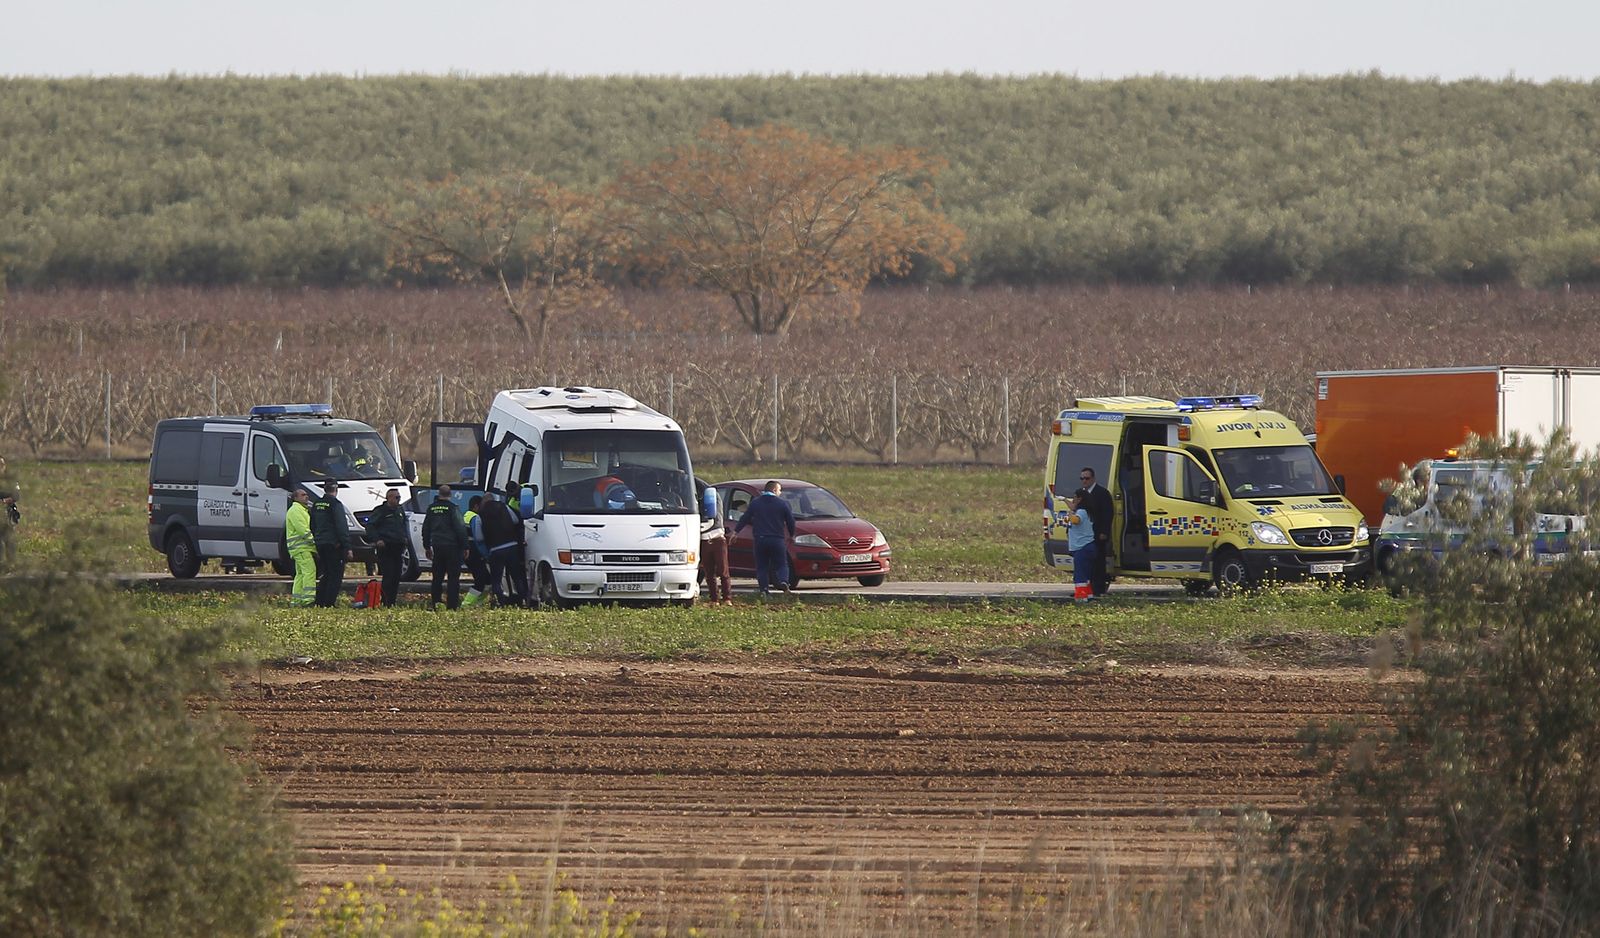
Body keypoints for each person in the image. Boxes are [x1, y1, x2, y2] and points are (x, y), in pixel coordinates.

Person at [733, 480, 796, 597]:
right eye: (779, 490)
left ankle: (764, 590)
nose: (780, 493)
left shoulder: (756, 503)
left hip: (760, 539)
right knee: (781, 563)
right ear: (774, 490)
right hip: (777, 539)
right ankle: (783, 581)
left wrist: (736, 531)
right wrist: (792, 535)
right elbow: (790, 522)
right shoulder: (783, 504)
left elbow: (745, 518)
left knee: (762, 566)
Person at [479, 490, 530, 606]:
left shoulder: (481, 514)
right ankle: (523, 600)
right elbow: (516, 520)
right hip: (511, 545)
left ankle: (501, 602)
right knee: (516, 576)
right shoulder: (504, 507)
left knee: (496, 579)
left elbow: (479, 536)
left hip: (495, 549)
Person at [422, 483, 469, 610]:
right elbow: (460, 528)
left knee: (437, 577)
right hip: (452, 547)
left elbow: (425, 528)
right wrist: (465, 546)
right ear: (450, 495)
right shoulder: (453, 508)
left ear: (439, 494)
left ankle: (436, 603)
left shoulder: (431, 509)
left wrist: (427, 546)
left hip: (437, 546)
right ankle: (452, 605)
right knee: (453, 578)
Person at [309, 479, 352, 607]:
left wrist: (318, 538)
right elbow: (341, 526)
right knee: (335, 575)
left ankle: (320, 601)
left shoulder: (316, 504)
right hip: (334, 544)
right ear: (336, 489)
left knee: (326, 573)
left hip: (321, 543)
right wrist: (347, 546)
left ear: (324, 488)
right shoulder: (335, 504)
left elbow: (312, 525)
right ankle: (329, 603)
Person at [365, 487, 408, 608]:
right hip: (386, 547)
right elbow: (370, 526)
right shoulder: (381, 511)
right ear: (389, 498)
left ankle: (392, 602)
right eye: (396, 497)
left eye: (399, 497)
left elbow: (403, 525)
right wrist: (377, 539)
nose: (398, 499)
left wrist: (405, 537)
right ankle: (385, 601)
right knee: (388, 575)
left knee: (396, 576)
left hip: (398, 547)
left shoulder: (400, 510)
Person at [1080, 467, 1115, 597]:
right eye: (1082, 478)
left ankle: (1098, 588)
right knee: (1088, 562)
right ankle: (1088, 589)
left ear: (1093, 478)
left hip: (1098, 533)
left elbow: (1108, 514)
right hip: (1085, 535)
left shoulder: (1102, 493)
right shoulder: (1082, 494)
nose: (1084, 481)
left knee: (1099, 561)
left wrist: (1104, 531)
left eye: (1087, 478)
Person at [697, 481, 731, 606]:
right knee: (709, 572)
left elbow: (713, 520)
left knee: (723, 571)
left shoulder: (712, 499)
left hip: (716, 538)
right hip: (705, 539)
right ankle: (714, 599)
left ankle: (727, 598)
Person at [284, 487, 316, 606]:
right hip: (301, 547)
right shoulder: (296, 510)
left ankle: (296, 600)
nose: (306, 496)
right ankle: (308, 600)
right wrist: (314, 542)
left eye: (306, 494)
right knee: (310, 571)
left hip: (298, 548)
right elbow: (303, 529)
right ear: (295, 498)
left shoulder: (301, 510)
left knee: (300, 574)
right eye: (303, 495)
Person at [1066, 488, 1096, 603]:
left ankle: (1081, 598)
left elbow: (1076, 520)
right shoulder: (1086, 511)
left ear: (1079, 499)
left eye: (1074, 497)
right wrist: (1064, 500)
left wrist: (1069, 516)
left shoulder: (1081, 512)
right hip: (1088, 547)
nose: (1073, 500)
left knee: (1080, 576)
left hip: (1082, 548)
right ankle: (1088, 596)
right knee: (1086, 575)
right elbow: (1073, 509)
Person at [462, 495, 491, 606]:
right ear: (476, 506)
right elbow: (479, 538)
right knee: (480, 581)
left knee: (487, 580)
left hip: (467, 553)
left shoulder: (466, 515)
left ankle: (477, 602)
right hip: (474, 553)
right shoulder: (475, 518)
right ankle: (467, 604)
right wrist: (486, 555)